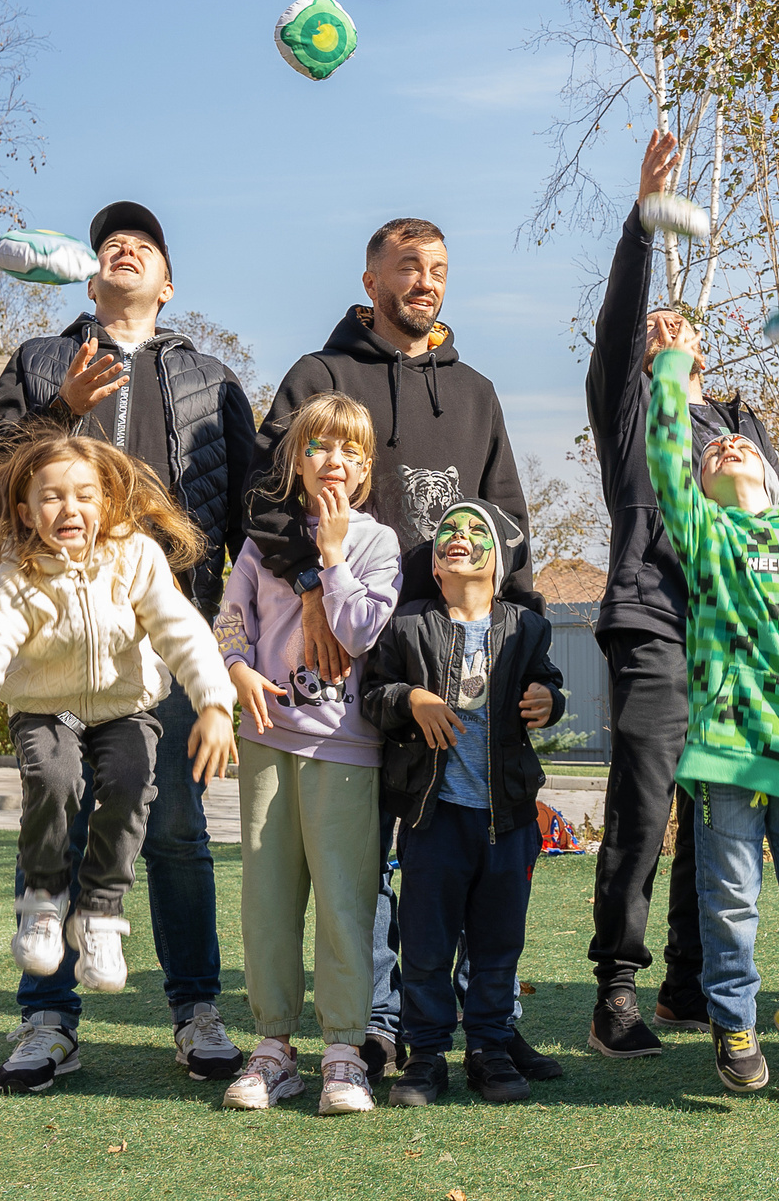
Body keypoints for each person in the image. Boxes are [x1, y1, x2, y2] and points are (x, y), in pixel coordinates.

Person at [0, 201, 253, 1091]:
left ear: (167, 284)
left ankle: (196, 1010)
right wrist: (62, 407)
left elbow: (249, 516)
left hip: (164, 635)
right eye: (110, 243)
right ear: (90, 279)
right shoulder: (41, 359)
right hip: (55, 637)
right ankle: (47, 1018)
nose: (123, 246)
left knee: (174, 827)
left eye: (144, 244)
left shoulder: (213, 380)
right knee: (55, 817)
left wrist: (236, 641)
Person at [246, 215, 536, 1077]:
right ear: (371, 280)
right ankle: (375, 1025)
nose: (426, 280)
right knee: (366, 859)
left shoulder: (475, 392)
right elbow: (263, 497)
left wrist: (526, 650)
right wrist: (312, 591)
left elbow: (508, 522)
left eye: (438, 267)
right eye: (408, 265)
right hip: (351, 662)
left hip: (455, 661)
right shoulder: (320, 376)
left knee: (468, 851)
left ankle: (486, 1023)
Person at [0, 429, 236, 1091]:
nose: (70, 508)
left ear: (108, 502)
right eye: (53, 496)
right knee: (55, 777)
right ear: (27, 510)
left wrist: (213, 702)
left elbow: (181, 630)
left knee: (133, 782)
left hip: (124, 708)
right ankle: (43, 909)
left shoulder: (136, 558)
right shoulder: (16, 581)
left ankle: (99, 915)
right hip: (48, 710)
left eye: (85, 495)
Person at [581, 130, 779, 1058]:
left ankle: (689, 983)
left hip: (732, 638)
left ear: (704, 348)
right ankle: (616, 990)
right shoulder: (633, 413)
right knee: (646, 806)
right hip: (654, 624)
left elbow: (771, 526)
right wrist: (644, 221)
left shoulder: (738, 427)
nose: (665, 328)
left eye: (681, 325)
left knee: (721, 811)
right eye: (654, 327)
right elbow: (623, 320)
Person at [645, 337, 779, 1094]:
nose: (728, 446)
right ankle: (733, 1020)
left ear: (769, 470)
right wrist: (672, 370)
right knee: (731, 899)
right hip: (727, 754)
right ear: (700, 487)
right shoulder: (707, 534)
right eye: (713, 451)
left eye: (741, 444)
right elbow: (666, 458)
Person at [214, 393, 405, 1116]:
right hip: (266, 738)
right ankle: (272, 1048)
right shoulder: (262, 539)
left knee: (344, 902)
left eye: (350, 450)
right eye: (319, 446)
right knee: (266, 900)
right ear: (295, 459)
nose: (333, 460)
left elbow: (357, 632)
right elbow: (231, 616)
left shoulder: (377, 543)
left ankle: (344, 1053)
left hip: (345, 747)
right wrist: (236, 669)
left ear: (365, 469)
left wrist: (331, 555)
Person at [363, 501, 570, 1108]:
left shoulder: (527, 627)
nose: (459, 536)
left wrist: (549, 699)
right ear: (433, 565)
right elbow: (373, 695)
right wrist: (411, 699)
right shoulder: (407, 624)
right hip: (434, 819)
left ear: (498, 564)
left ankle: (489, 1048)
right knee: (426, 945)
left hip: (508, 819)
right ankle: (426, 1054)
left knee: (497, 945)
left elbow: (549, 682)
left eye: (476, 530)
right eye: (448, 530)